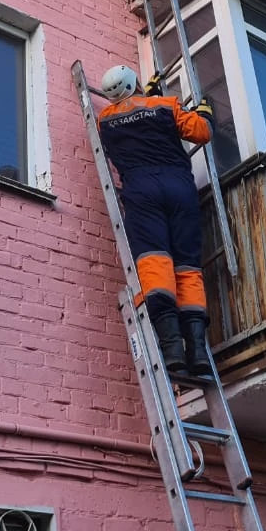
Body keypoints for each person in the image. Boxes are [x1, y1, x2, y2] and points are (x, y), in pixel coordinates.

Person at [98, 63, 215, 375]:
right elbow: (201, 133)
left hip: (141, 192)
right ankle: (198, 351)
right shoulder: (165, 105)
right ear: (136, 83)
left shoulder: (104, 120)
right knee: (187, 265)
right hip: (179, 188)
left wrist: (140, 100)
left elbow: (132, 117)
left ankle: (172, 347)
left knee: (155, 261)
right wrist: (204, 113)